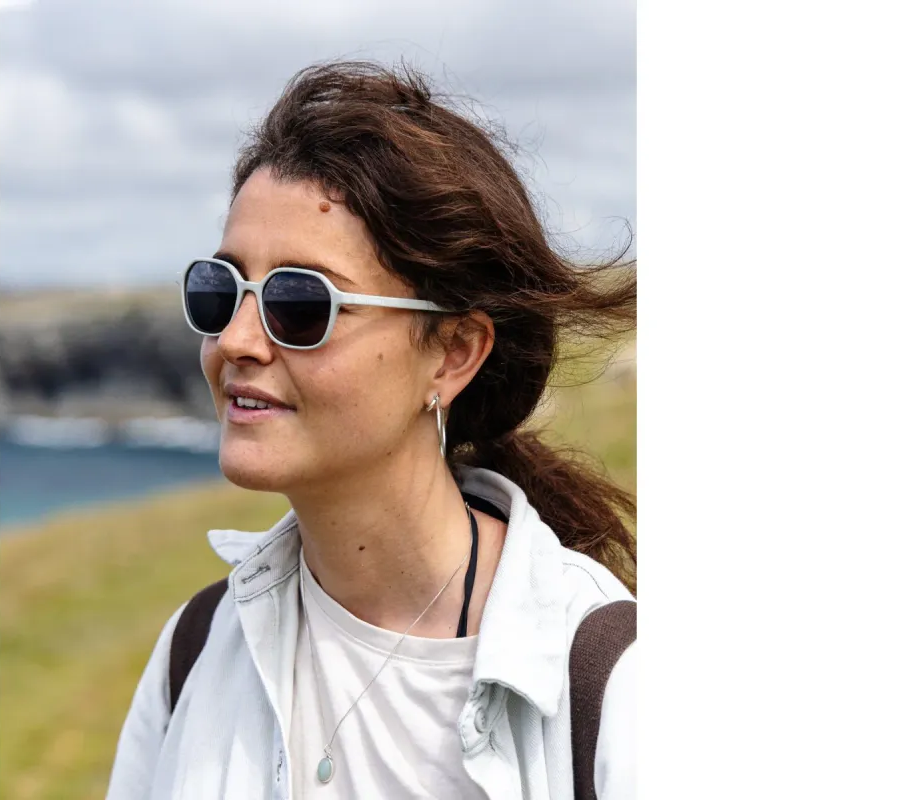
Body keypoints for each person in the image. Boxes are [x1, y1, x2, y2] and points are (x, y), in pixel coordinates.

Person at [106, 60, 636, 800]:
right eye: (220, 291)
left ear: (453, 353)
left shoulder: (610, 685)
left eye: (300, 303)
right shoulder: (194, 651)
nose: (236, 341)